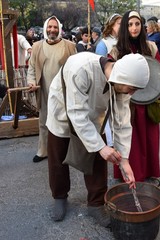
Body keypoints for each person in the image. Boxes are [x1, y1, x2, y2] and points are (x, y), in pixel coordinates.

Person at [45, 52, 150, 224]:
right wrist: (101, 147)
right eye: (132, 89)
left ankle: (95, 204)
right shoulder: (81, 68)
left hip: (93, 117)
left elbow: (122, 122)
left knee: (98, 160)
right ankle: (60, 196)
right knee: (58, 157)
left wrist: (124, 160)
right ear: (122, 77)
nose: (132, 93)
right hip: (63, 112)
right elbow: (76, 113)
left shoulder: (123, 85)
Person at [110, 10, 160, 182]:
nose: (134, 28)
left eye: (137, 24)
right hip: (126, 102)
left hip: (148, 101)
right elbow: (111, 76)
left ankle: (147, 173)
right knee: (128, 138)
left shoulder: (151, 47)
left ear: (142, 25)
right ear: (125, 27)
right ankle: (126, 173)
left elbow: (159, 73)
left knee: (149, 139)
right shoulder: (116, 50)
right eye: (130, 24)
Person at [27, 16, 76, 163]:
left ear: (59, 29)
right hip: (44, 89)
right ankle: (43, 151)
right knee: (44, 120)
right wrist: (31, 81)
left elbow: (77, 67)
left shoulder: (70, 46)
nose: (52, 30)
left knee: (65, 120)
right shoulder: (37, 46)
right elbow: (31, 67)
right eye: (50, 27)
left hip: (64, 91)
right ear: (45, 28)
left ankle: (66, 151)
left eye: (55, 27)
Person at [95, 13, 122, 147]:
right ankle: (109, 143)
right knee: (108, 115)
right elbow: (99, 65)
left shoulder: (124, 41)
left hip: (123, 84)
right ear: (111, 26)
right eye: (119, 24)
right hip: (109, 84)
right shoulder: (103, 43)